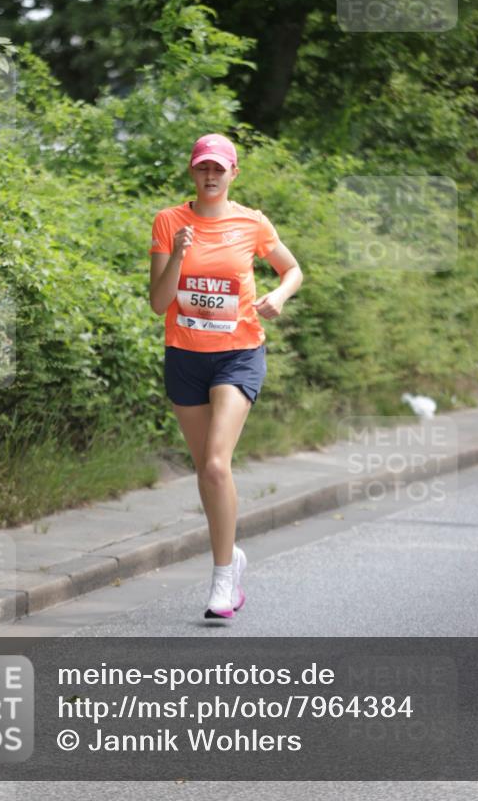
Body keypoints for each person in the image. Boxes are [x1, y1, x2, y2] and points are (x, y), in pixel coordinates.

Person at [148, 133, 303, 619]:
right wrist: (177, 253)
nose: (210, 175)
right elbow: (158, 303)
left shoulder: (251, 222)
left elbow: (292, 269)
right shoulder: (169, 221)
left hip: (238, 353)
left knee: (216, 464)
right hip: (185, 357)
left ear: (234, 172)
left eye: (219, 168)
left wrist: (279, 297)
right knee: (207, 472)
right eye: (202, 168)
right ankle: (231, 554)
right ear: (192, 172)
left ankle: (222, 579)